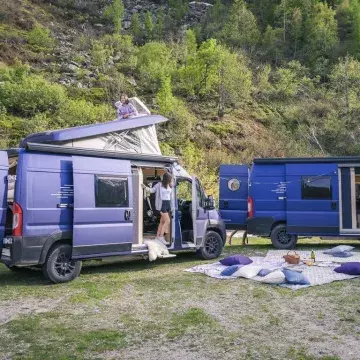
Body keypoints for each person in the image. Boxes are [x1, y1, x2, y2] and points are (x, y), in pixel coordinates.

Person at [143, 173, 173, 244]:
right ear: (167, 178)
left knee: (162, 222)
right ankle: (161, 237)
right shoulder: (159, 185)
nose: (171, 180)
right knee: (167, 221)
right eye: (170, 179)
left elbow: (171, 194)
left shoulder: (169, 185)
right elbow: (152, 190)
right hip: (162, 204)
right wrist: (145, 187)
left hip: (168, 204)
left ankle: (157, 236)